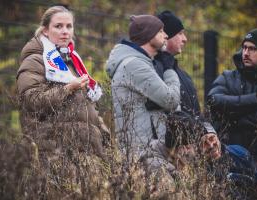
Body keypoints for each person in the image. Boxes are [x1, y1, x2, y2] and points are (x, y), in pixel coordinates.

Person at [16, 5, 109, 197]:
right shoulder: (35, 60)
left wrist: (102, 130)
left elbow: (84, 105)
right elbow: (31, 100)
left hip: (83, 147)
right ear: (45, 30)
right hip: (54, 149)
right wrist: (68, 88)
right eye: (58, 26)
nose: (65, 31)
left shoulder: (70, 60)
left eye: (69, 26)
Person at [207, 28, 257, 193]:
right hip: (229, 162)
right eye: (244, 47)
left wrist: (233, 116)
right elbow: (214, 100)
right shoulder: (228, 77)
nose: (245, 53)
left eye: (253, 48)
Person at [106, 15, 180, 161]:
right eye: (160, 31)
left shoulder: (143, 62)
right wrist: (169, 70)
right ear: (149, 35)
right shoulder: (135, 65)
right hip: (143, 150)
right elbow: (171, 100)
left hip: (148, 148)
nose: (166, 35)